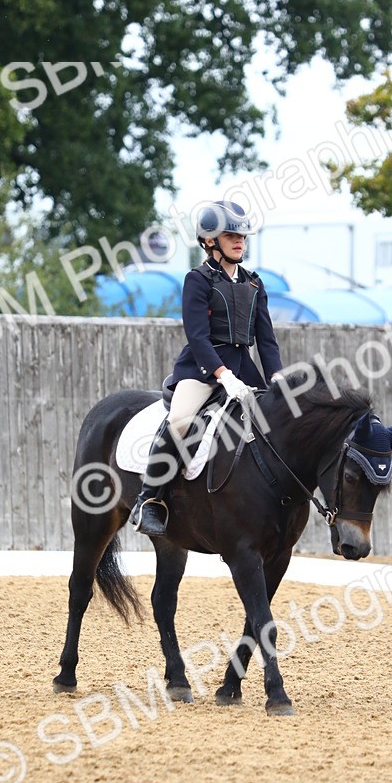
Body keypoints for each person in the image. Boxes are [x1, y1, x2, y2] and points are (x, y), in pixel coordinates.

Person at [129, 200, 284, 535]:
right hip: (202, 369)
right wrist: (222, 375)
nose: (239, 240)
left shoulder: (254, 284)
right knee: (181, 420)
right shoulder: (197, 280)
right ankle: (149, 499)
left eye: (242, 234)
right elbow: (197, 336)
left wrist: (276, 378)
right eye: (231, 234)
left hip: (245, 371)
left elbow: (266, 340)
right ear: (210, 241)